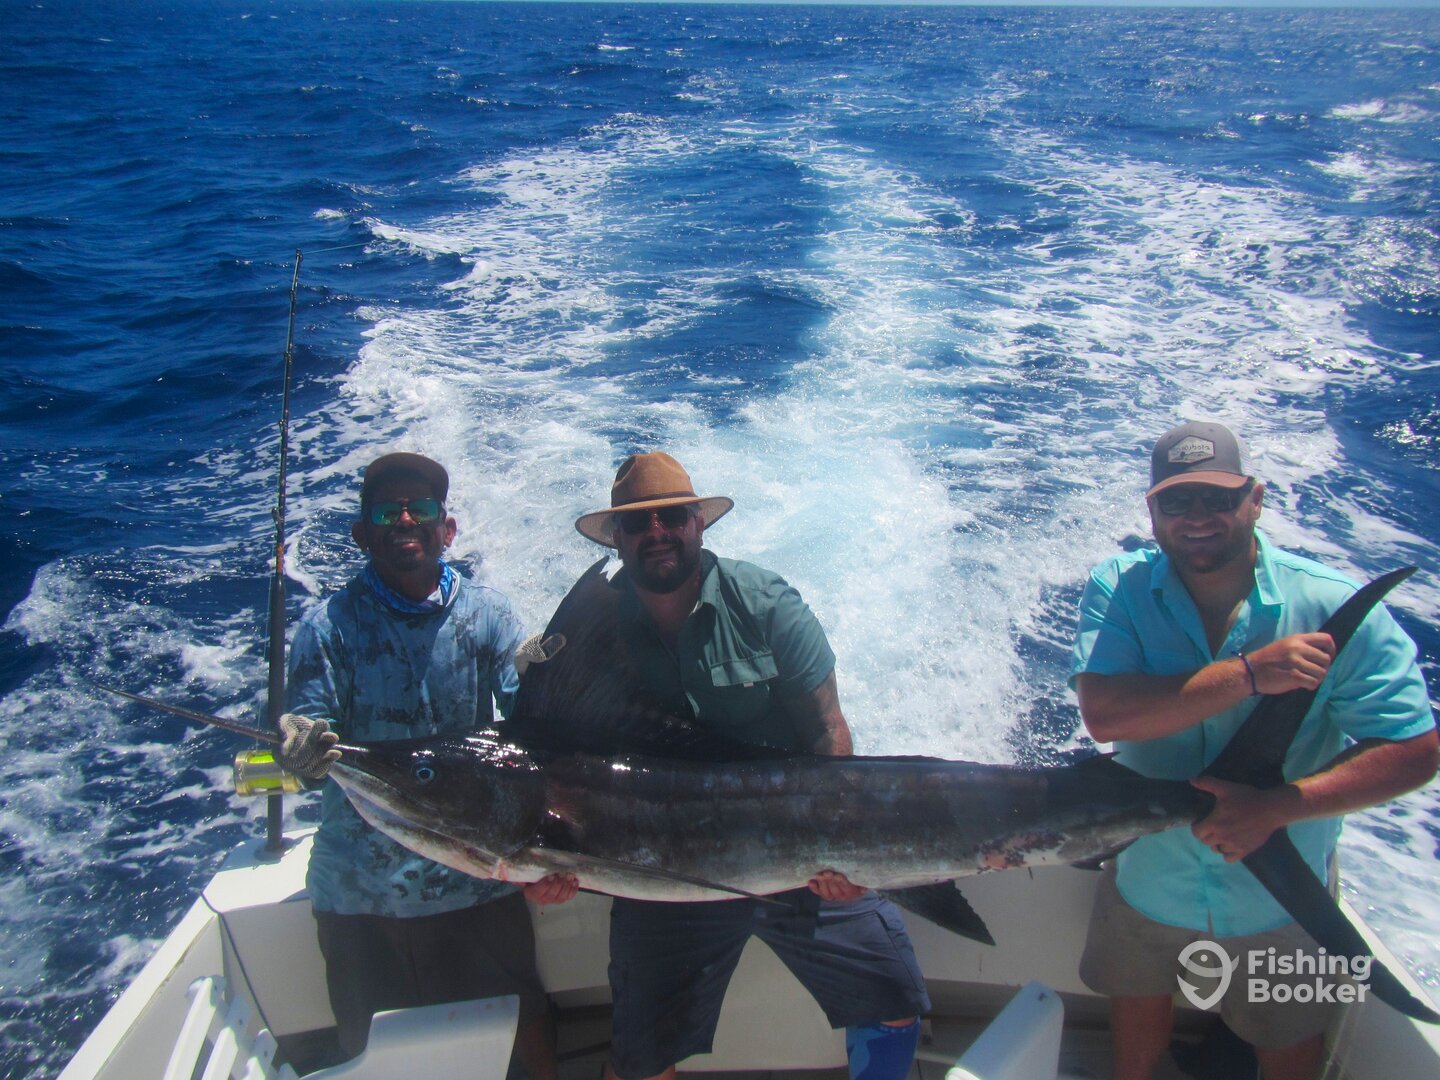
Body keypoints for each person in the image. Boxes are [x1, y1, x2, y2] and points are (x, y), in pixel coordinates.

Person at [1070, 421, 1438, 1080]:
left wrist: (1276, 809)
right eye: (1176, 501)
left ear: (1255, 499)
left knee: (1286, 1038)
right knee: (1136, 1007)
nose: (1197, 517)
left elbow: (1415, 749)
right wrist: (1249, 675)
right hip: (1149, 874)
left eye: (1217, 498)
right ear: (1152, 511)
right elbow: (1106, 714)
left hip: (1278, 899)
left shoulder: (1324, 603)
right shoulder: (1119, 586)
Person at [566, 451, 931, 1080]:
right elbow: (563, 764)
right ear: (617, 539)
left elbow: (827, 728)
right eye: (638, 522)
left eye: (672, 516)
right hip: (666, 872)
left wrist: (837, 848)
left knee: (893, 996)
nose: (657, 531)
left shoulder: (764, 603)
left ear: (698, 524)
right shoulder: (590, 631)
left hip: (795, 850)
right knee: (638, 1058)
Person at [276, 451, 578, 1076]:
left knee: (524, 1038)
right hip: (362, 896)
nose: (405, 520)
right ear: (362, 534)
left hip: (477, 873)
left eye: (421, 507)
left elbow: (534, 733)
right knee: (380, 1060)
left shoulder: (489, 615)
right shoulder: (326, 629)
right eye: (386, 512)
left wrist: (540, 678)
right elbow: (310, 747)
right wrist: (301, 749)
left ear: (448, 528)